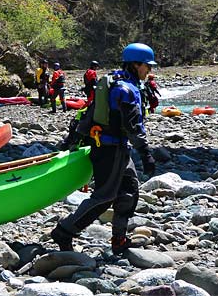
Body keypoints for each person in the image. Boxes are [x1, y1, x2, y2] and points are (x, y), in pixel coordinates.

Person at [51, 42, 158, 255]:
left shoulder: (114, 82)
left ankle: (119, 239)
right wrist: (146, 154)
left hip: (117, 149)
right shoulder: (125, 89)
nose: (150, 71)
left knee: (129, 191)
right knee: (104, 197)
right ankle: (64, 231)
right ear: (136, 65)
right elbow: (132, 126)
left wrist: (72, 140)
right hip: (109, 149)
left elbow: (88, 114)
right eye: (148, 66)